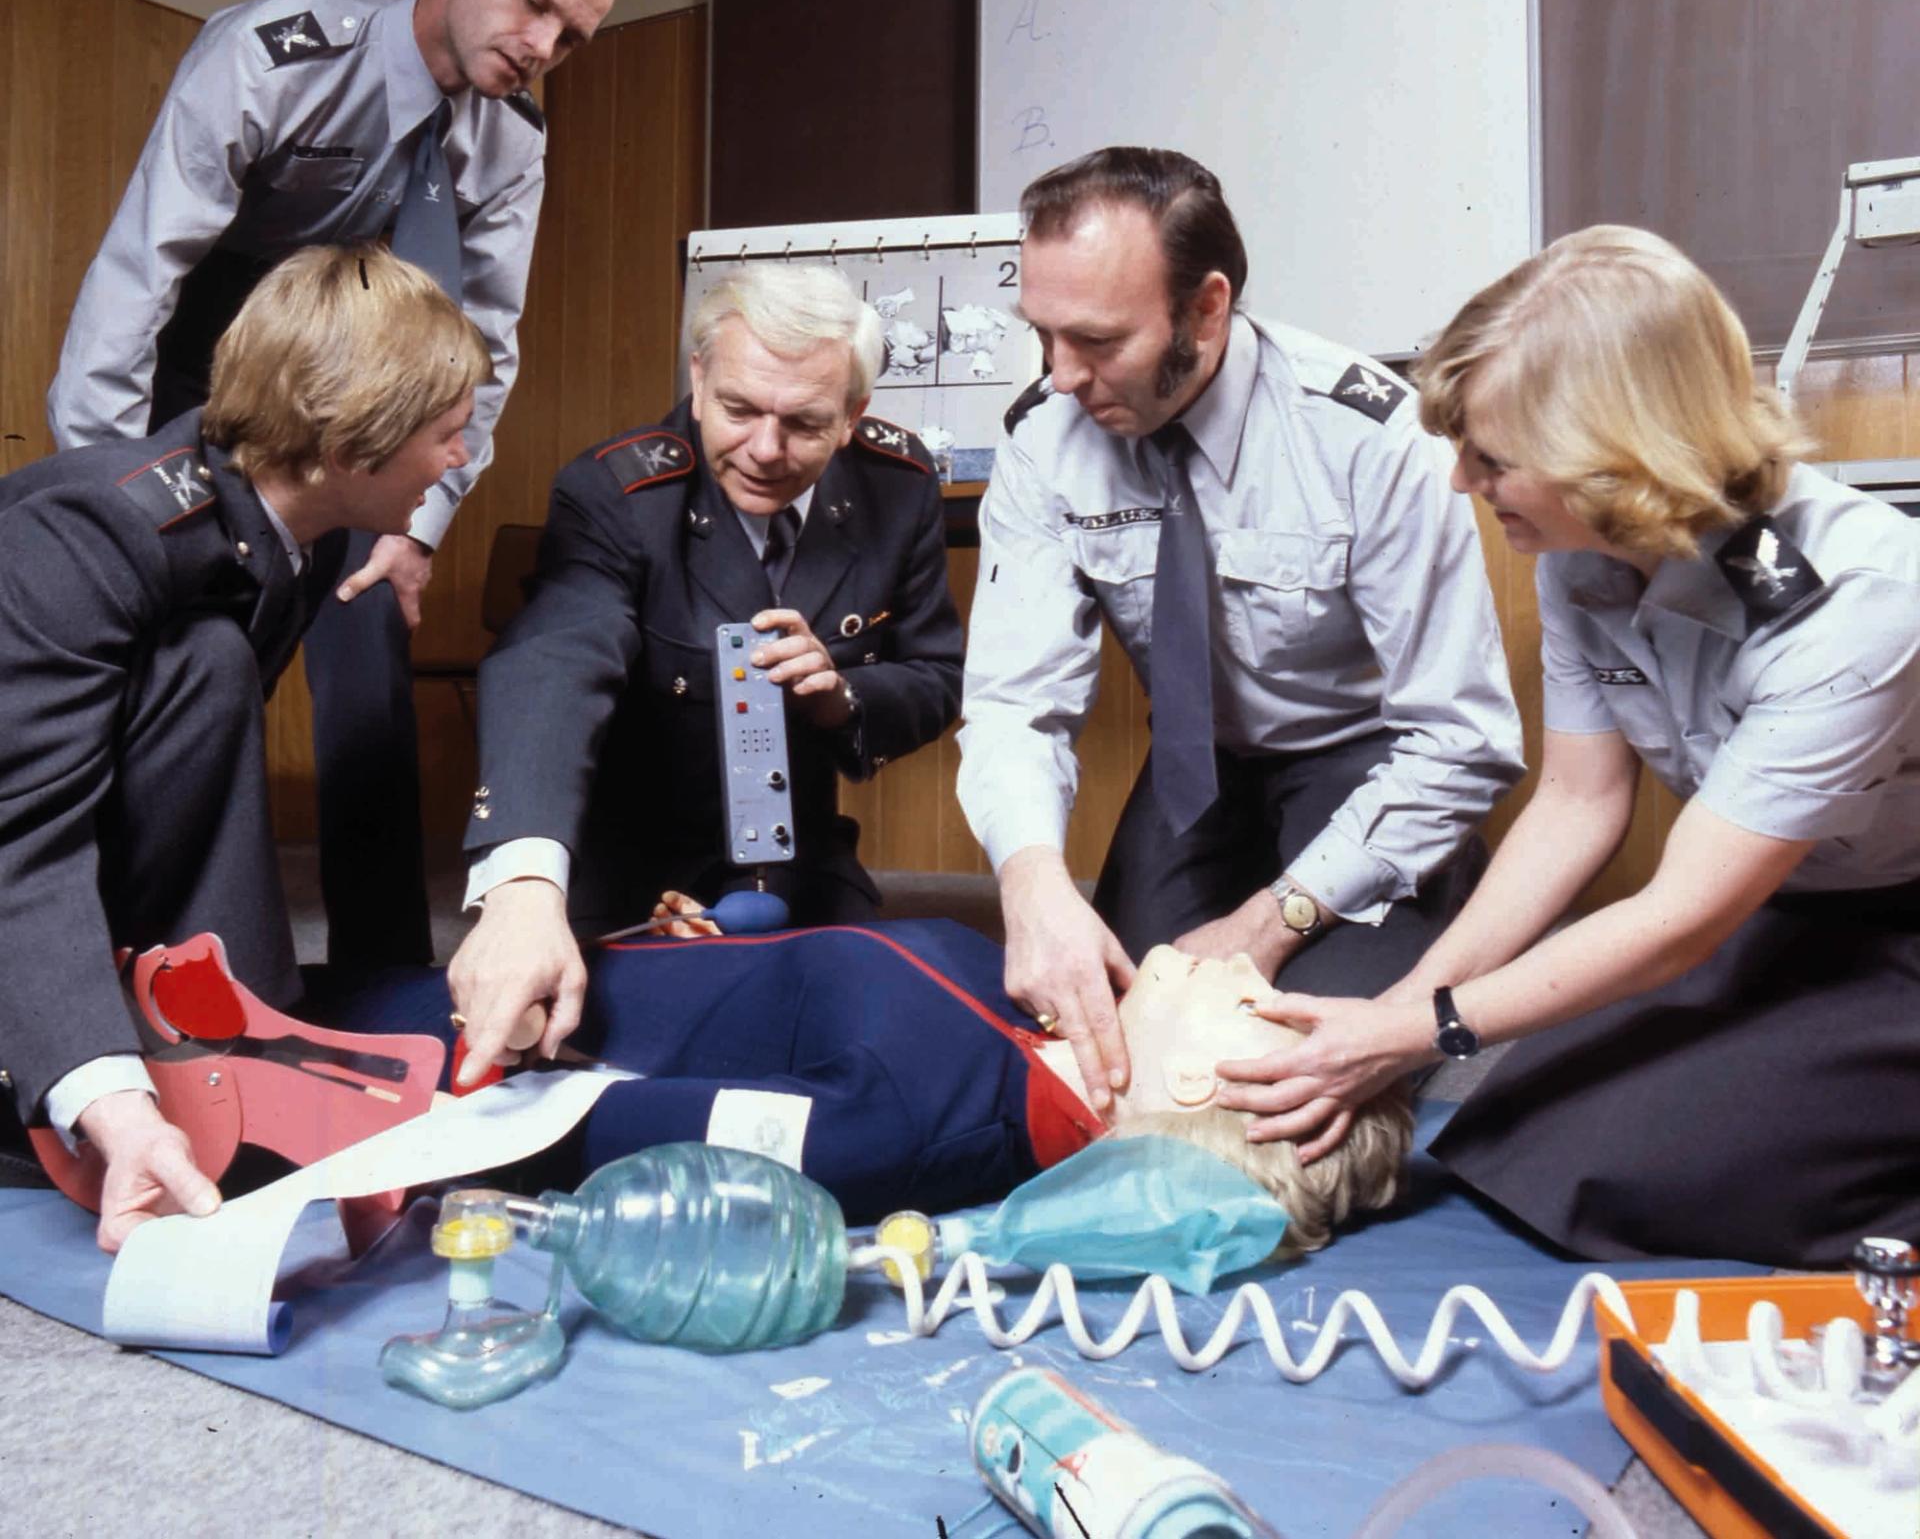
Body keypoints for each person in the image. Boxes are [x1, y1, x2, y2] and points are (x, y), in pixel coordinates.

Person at [1215, 226, 1920, 1268]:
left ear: (1617, 453)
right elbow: (1577, 808)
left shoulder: (1855, 606)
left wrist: (1416, 1035)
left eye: (1492, 459)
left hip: (1892, 929)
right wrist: (1399, 1019)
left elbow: (1678, 922)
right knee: (1512, 1134)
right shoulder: (1588, 549)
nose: (1462, 482)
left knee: (1614, 1174)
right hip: (1780, 909)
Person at [46, 0, 622, 970]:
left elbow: (482, 345)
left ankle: (386, 976)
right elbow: (141, 269)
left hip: (377, 391)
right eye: (531, 2)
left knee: (367, 660)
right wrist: (105, 487)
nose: (544, 44)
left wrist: (421, 523)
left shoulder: (510, 144)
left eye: (574, 34)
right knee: (192, 661)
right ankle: (131, 945)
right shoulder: (278, 53)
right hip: (210, 371)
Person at [955, 147, 1523, 1116]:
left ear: (1207, 311)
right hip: (1198, 775)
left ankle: (1429, 892)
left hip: (1367, 768)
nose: (1059, 378)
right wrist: (1033, 883)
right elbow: (1013, 702)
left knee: (1286, 1068)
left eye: (1095, 341)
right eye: (1041, 336)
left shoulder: (1365, 438)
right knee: (1127, 1063)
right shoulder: (1043, 441)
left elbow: (1460, 742)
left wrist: (1271, 922)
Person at [1, 246, 491, 1253]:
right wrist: (113, 1102)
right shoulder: (93, 533)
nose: (458, 462)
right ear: (353, 443)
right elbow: (21, 846)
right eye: (446, 436)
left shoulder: (288, 525)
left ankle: (231, 1048)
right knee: (208, 661)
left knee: (204, 663)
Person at [448, 264, 966, 1085]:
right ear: (697, 377)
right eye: (738, 409)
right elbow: (552, 661)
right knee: (580, 1065)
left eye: (803, 423)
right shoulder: (616, 491)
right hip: (628, 863)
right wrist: (522, 883)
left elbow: (936, 674)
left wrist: (841, 697)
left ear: (853, 415)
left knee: (878, 1051)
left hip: (801, 860)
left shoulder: (897, 489)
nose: (765, 449)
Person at [324, 923, 1413, 1244]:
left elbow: (561, 1127)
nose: (1241, 964)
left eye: (1249, 1001)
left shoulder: (888, 1132)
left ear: (1190, 1081)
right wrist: (730, 940)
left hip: (378, 1038)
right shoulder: (1039, 1009)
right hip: (540, 955)